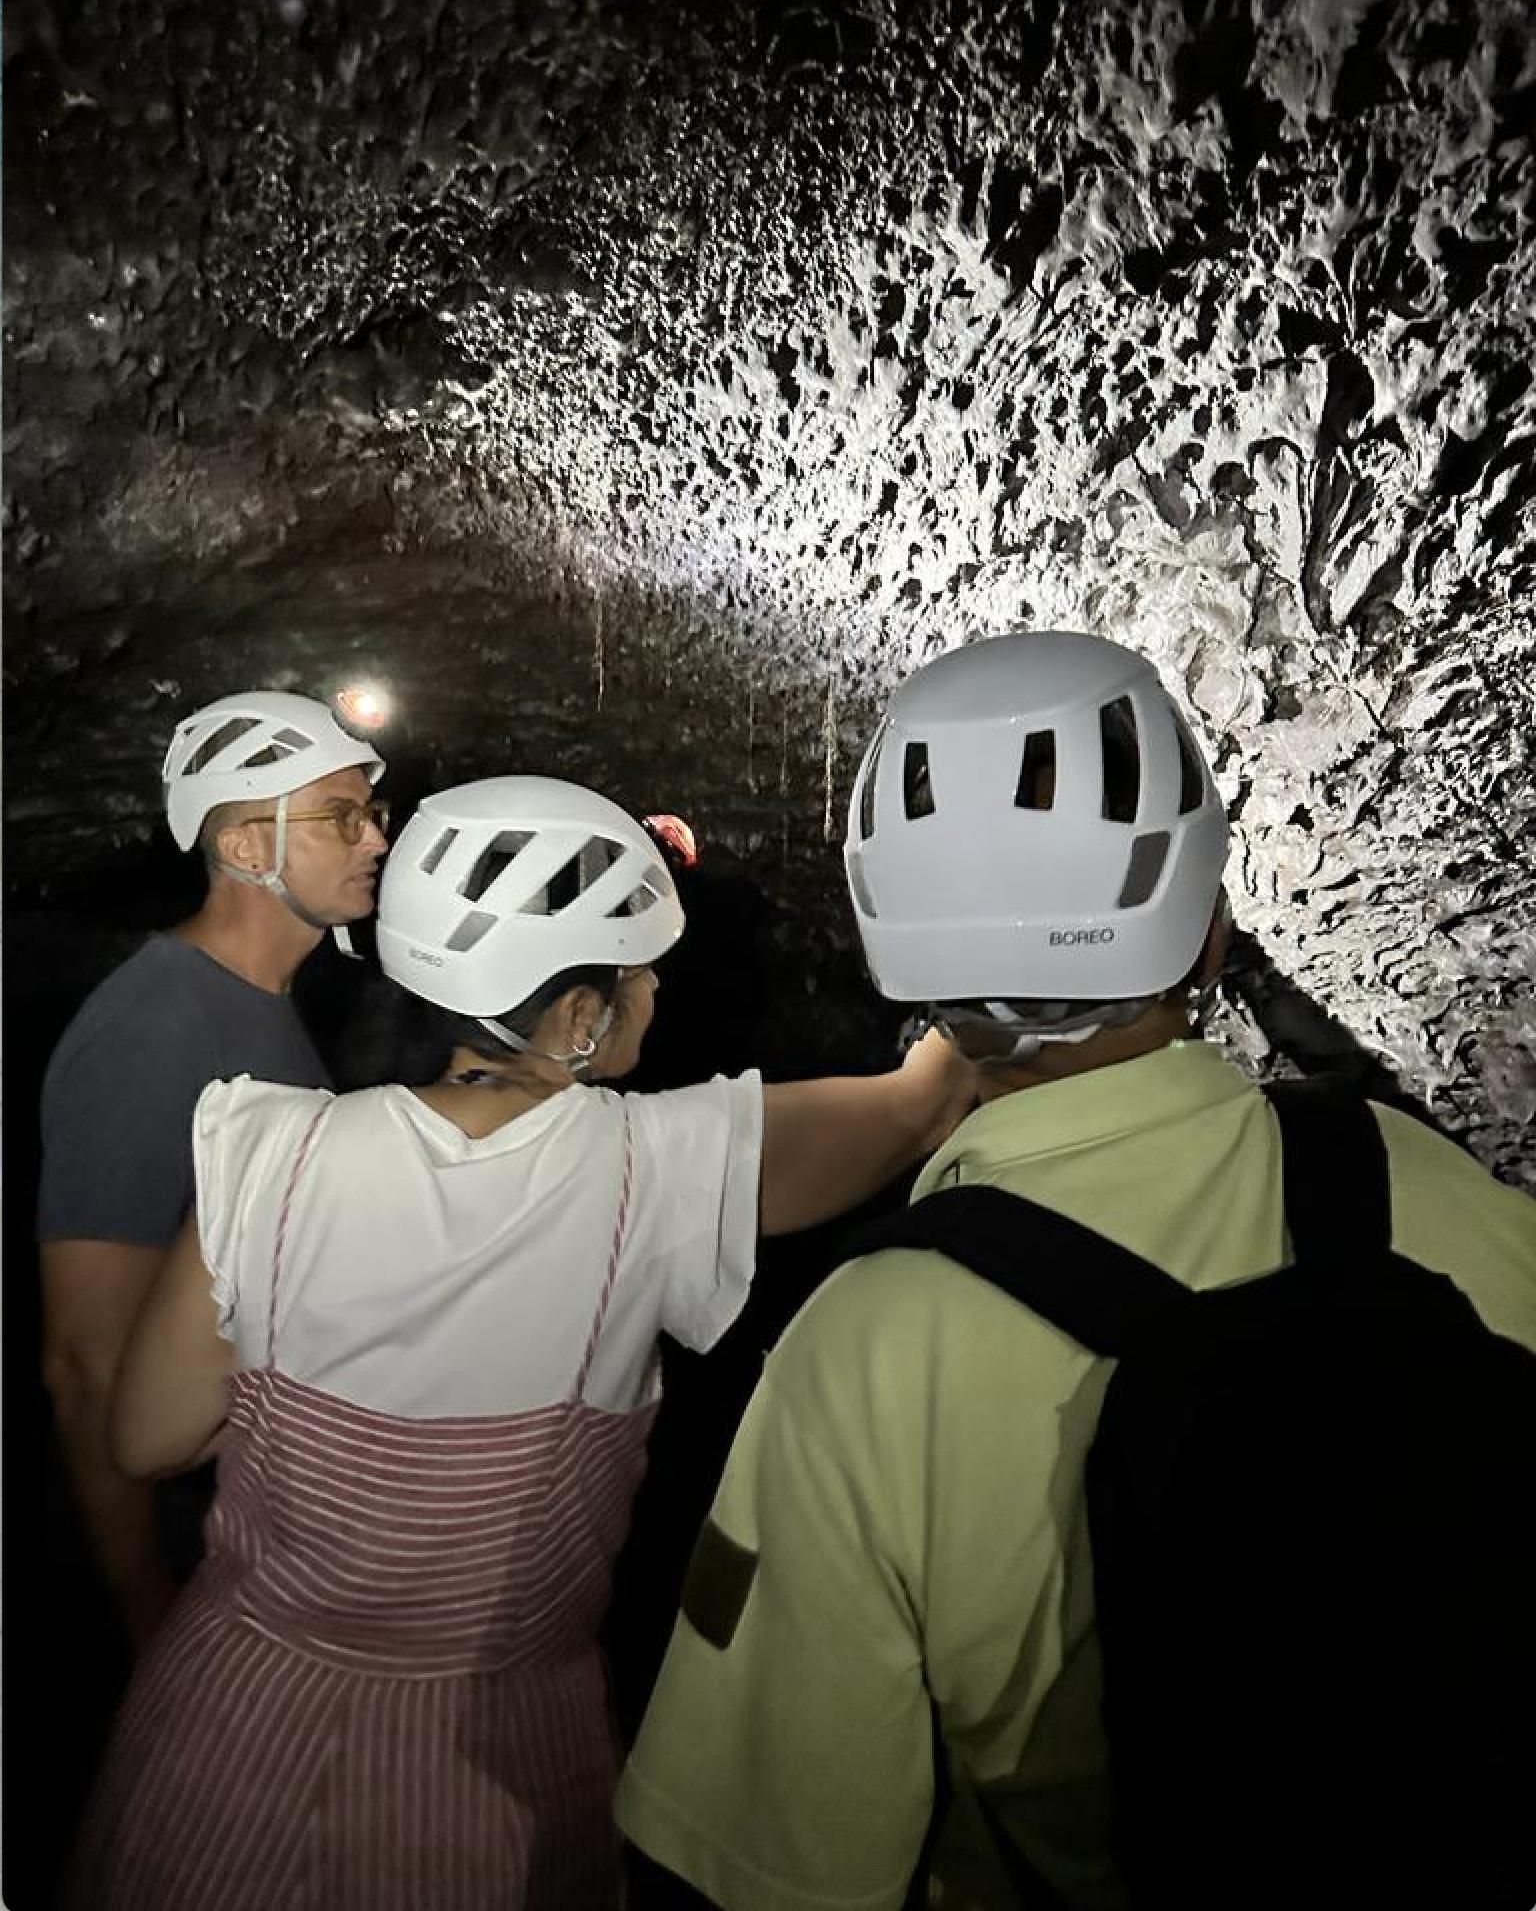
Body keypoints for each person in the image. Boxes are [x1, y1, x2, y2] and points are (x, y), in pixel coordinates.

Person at [617, 630, 1536, 1911]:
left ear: (908, 963)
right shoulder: (1439, 1193)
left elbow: (755, 1866)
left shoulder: (879, 1342)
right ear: (1209, 931)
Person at [68, 774, 974, 1911]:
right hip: (477, 1763)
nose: (652, 991)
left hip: (221, 1719)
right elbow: (920, 1105)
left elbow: (147, 1435)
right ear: (574, 1015)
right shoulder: (656, 1168)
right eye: (635, 975)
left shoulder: (267, 1146)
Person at [37, 690, 389, 1650]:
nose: (374, 841)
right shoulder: (154, 1029)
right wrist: (144, 1596)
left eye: (373, 814)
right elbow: (84, 1360)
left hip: (256, 1526)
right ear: (245, 849)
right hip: (193, 1543)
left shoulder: (258, 1003)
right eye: (341, 818)